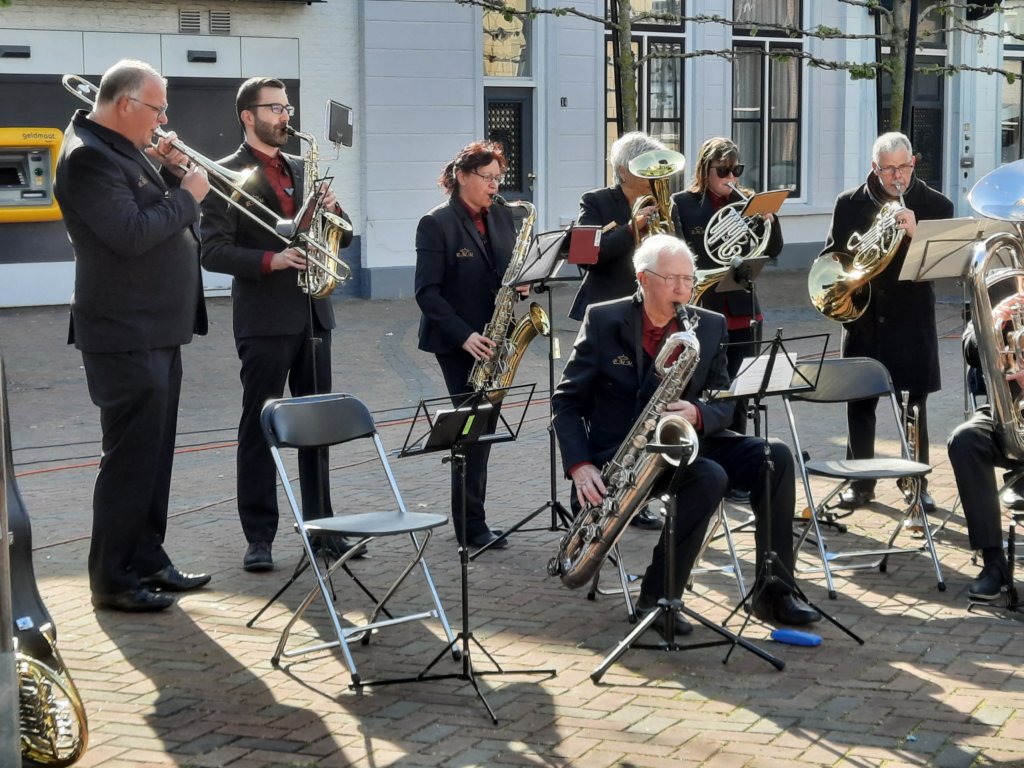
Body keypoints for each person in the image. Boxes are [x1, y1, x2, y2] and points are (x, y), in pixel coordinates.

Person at [551, 234, 820, 632]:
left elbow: (725, 401)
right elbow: (566, 402)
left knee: (774, 454)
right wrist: (580, 466)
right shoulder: (604, 319)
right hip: (624, 454)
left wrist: (698, 413)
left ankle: (774, 592)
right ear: (643, 279)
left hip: (687, 439)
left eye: (688, 279)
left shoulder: (708, 325)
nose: (683, 288)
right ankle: (659, 599)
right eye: (672, 278)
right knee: (709, 477)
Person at [54, 59, 211, 612]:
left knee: (155, 454)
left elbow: (149, 211)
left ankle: (146, 558)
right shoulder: (88, 157)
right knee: (129, 458)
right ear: (125, 104)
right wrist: (188, 194)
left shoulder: (122, 149)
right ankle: (112, 578)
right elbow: (130, 234)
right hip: (124, 330)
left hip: (157, 327)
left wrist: (169, 175)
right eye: (158, 109)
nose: (164, 120)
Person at [201, 76, 357, 572]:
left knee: (318, 424)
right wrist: (273, 259)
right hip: (264, 319)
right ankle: (259, 536)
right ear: (247, 116)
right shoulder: (224, 173)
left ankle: (323, 529)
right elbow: (213, 252)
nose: (285, 116)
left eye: (286, 107)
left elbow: (345, 236)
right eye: (274, 108)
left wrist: (334, 211)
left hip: (314, 313)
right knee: (259, 427)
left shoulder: (302, 168)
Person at [820, 132, 953, 513]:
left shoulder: (937, 205)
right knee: (860, 404)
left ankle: (916, 482)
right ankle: (860, 484)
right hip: (864, 318)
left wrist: (915, 234)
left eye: (904, 167)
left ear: (914, 163)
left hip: (912, 319)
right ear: (874, 168)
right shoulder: (849, 203)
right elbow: (833, 256)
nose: (898, 176)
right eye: (889, 169)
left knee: (915, 406)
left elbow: (942, 265)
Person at [414, 140, 520, 549]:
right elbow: (427, 292)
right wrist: (464, 336)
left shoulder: (503, 217)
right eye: (487, 177)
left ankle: (474, 517)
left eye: (498, 178)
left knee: (485, 429)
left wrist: (523, 284)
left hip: (496, 338)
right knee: (471, 431)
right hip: (459, 341)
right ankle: (471, 525)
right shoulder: (436, 223)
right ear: (461, 176)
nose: (495, 185)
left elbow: (507, 271)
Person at [569, 131, 670, 529]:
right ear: (626, 170)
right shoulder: (596, 202)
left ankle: (637, 497)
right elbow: (584, 256)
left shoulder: (664, 202)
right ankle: (589, 501)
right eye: (649, 167)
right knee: (603, 412)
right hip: (607, 319)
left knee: (645, 410)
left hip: (652, 316)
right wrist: (631, 229)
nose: (657, 175)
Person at [671, 137, 783, 441]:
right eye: (723, 171)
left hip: (743, 312)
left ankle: (738, 455)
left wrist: (770, 221)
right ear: (704, 170)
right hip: (703, 309)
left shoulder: (749, 202)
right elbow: (679, 251)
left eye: (736, 170)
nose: (731, 178)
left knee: (739, 393)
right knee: (702, 392)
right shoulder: (682, 204)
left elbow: (773, 249)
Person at [947, 292, 1024, 600]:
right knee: (965, 440)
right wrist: (992, 322)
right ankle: (994, 563)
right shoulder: (998, 290)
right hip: (1008, 411)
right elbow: (970, 351)